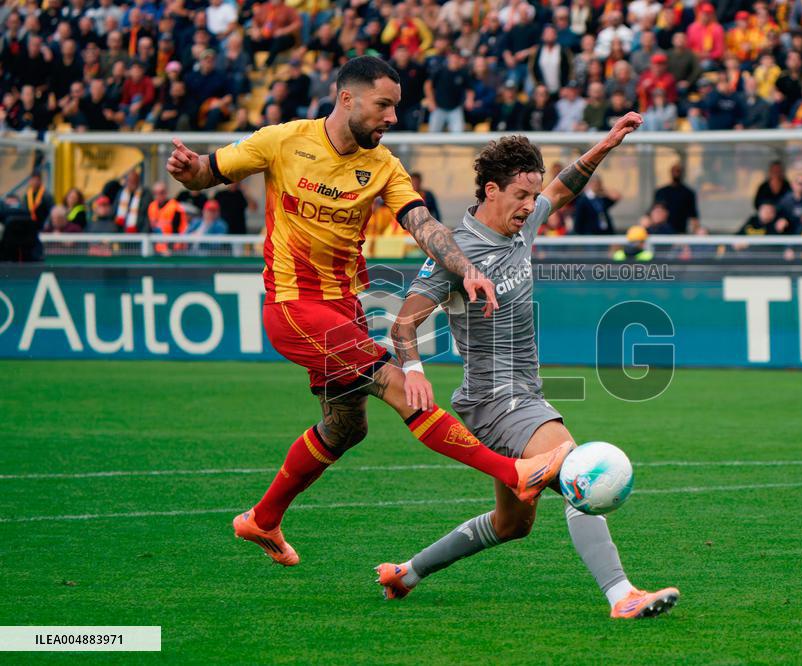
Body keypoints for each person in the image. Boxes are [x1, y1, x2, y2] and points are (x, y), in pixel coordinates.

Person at [166, 56, 567, 567]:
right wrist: (188, 169)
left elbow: (425, 225)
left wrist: (464, 267)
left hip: (344, 309)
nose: (392, 118)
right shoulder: (281, 140)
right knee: (399, 386)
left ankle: (262, 520)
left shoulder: (382, 166)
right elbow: (208, 172)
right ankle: (517, 473)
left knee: (345, 428)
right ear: (347, 98)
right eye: (384, 105)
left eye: (395, 107)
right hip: (293, 307)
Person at [378, 119, 681, 620]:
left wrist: (604, 146)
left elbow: (562, 189)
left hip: (517, 396)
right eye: (521, 195)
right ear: (491, 190)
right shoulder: (454, 251)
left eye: (532, 195)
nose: (530, 206)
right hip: (499, 400)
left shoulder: (523, 218)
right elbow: (403, 324)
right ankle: (621, 595)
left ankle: (404, 573)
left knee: (511, 524)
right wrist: (411, 369)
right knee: (577, 470)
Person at [653, 163, 700, 234]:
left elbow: (693, 216)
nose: (676, 173)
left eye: (678, 171)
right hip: (662, 232)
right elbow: (652, 212)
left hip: (680, 232)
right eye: (674, 171)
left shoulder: (688, 193)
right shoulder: (661, 192)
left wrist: (695, 233)